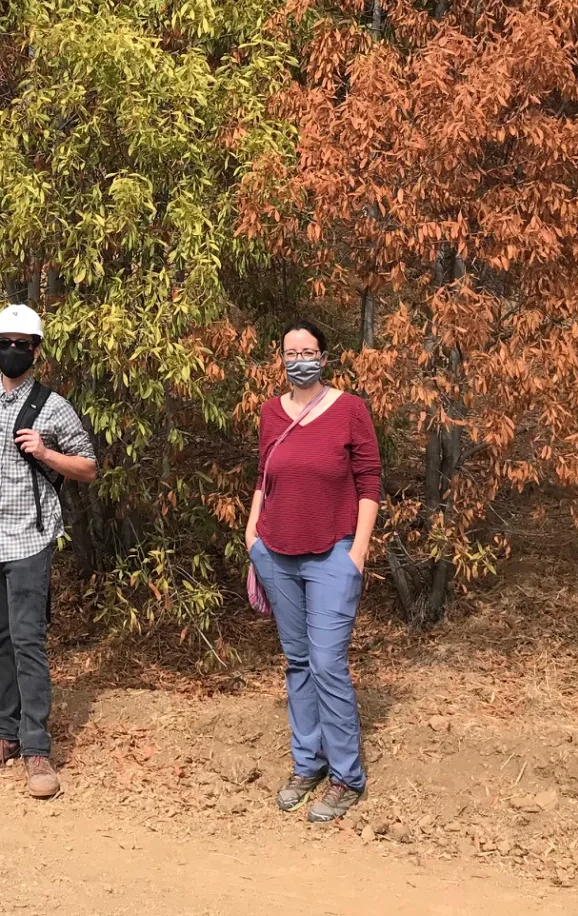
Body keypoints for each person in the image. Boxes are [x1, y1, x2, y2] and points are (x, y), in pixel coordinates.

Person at [0, 304, 97, 800]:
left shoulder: (54, 408)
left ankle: (36, 748)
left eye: (21, 344)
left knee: (28, 640)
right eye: (3, 342)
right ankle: (3, 737)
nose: (11, 350)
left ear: (37, 351)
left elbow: (88, 467)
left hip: (29, 537)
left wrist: (47, 453)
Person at [245, 319, 382, 823]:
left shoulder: (349, 410)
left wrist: (358, 552)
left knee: (327, 664)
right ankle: (308, 764)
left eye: (308, 349)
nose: (298, 357)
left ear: (324, 357)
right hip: (276, 551)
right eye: (289, 350)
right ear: (280, 358)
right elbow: (264, 473)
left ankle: (347, 776)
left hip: (332, 554)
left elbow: (369, 481)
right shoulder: (269, 412)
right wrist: (251, 531)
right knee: (298, 663)